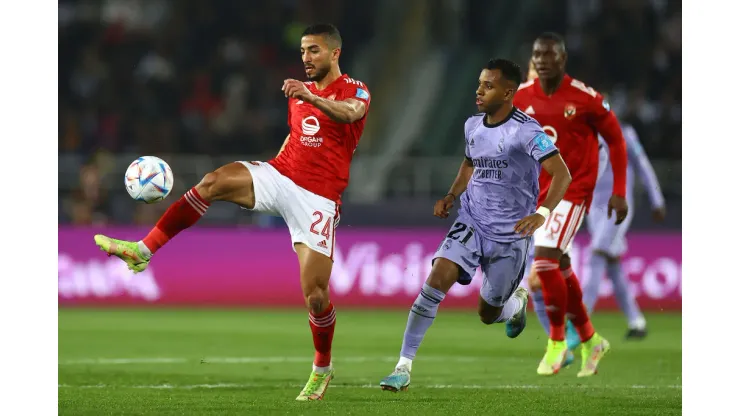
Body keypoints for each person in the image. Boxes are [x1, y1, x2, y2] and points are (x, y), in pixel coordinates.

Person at [93, 24, 371, 401]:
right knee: (212, 182)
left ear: (335, 53)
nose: (306, 58)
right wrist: (273, 170)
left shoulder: (354, 90)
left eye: (314, 51)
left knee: (316, 296)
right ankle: (142, 251)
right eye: (303, 51)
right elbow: (296, 136)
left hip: (318, 199)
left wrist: (313, 97)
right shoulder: (298, 94)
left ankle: (322, 368)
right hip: (281, 174)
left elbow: (349, 113)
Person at [378, 58, 571, 393]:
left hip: (511, 235)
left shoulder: (527, 131)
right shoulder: (472, 126)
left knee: (487, 313)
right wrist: (452, 194)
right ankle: (403, 367)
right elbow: (469, 164)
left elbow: (562, 174)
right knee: (437, 278)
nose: (479, 90)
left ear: (508, 92)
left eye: (488, 85)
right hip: (472, 221)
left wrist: (541, 213)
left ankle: (515, 306)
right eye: (480, 83)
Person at [514, 32, 629, 377]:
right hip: (540, 193)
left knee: (546, 258)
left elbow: (616, 139)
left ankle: (557, 343)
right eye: (537, 55)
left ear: (563, 59)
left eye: (549, 55)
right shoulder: (520, 97)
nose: (542, 60)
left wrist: (619, 190)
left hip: (574, 191)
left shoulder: (586, 98)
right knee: (560, 265)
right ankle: (592, 340)